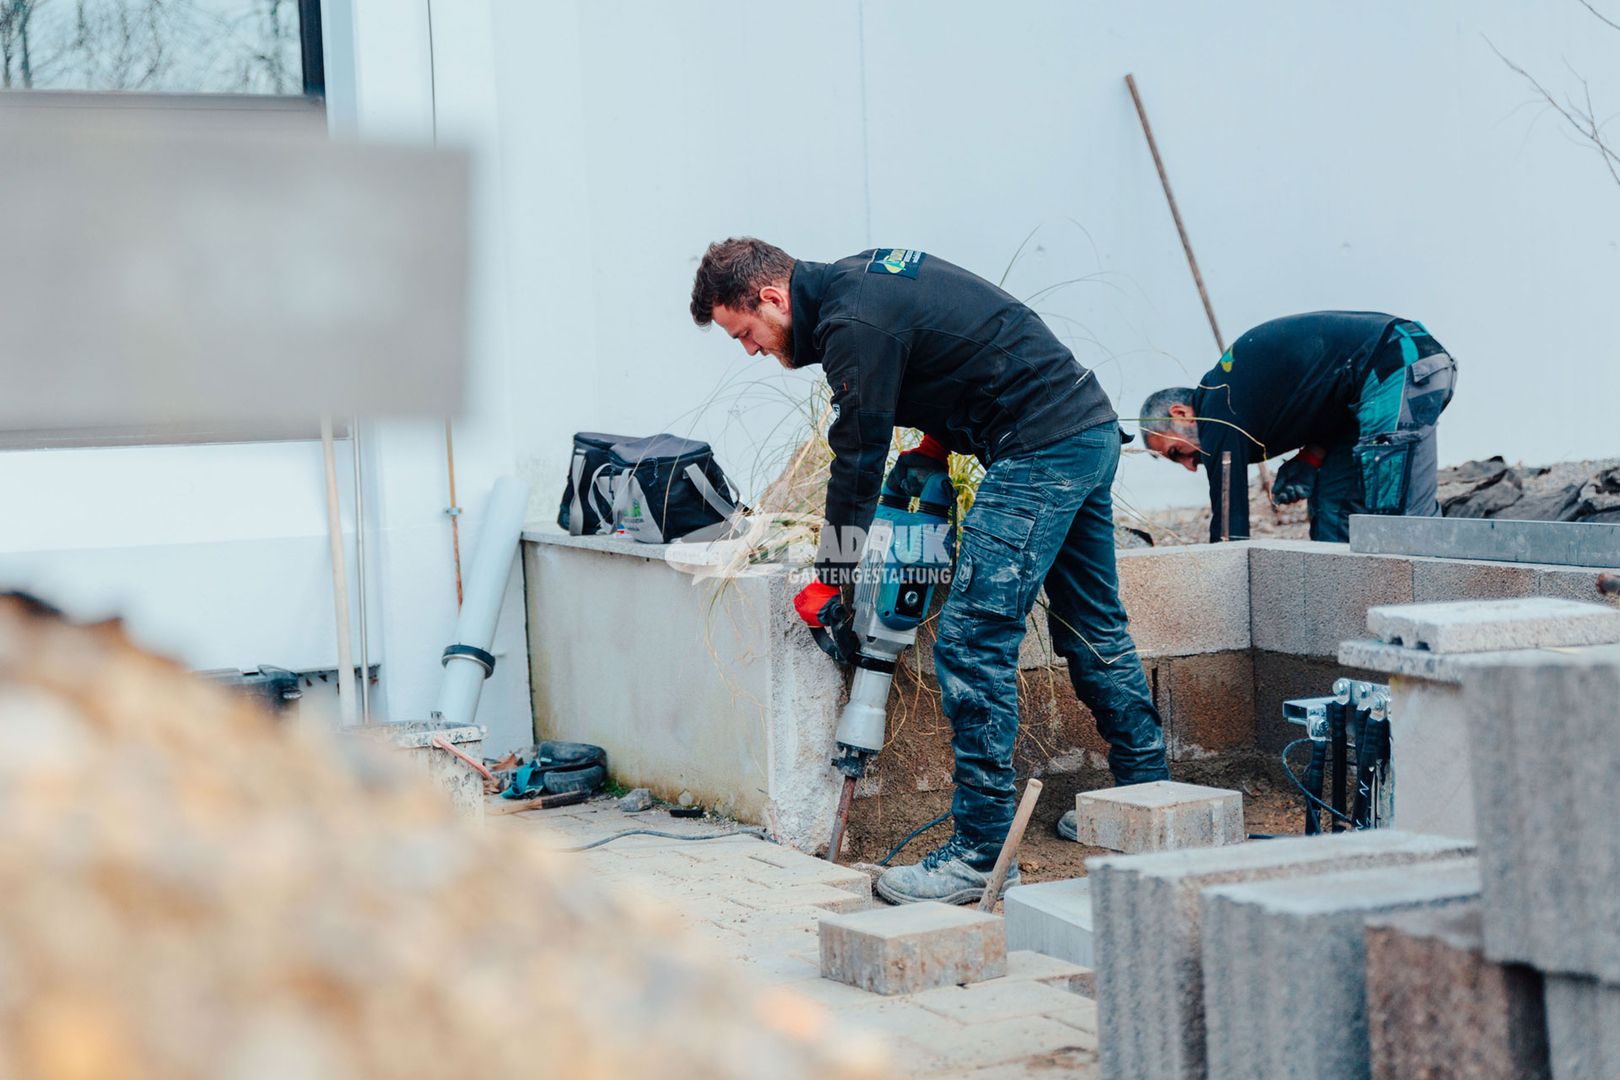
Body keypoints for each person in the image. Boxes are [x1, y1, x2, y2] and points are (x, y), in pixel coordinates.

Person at [689, 238, 1170, 905]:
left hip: (1039, 451)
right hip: (1081, 428)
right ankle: (1155, 805)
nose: (750, 349)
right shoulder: (859, 286)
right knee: (1092, 625)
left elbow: (857, 459)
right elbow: (960, 352)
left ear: (771, 297)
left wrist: (832, 575)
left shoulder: (849, 324)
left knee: (973, 641)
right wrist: (937, 444)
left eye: (746, 332)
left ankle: (979, 854)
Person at [1138, 311, 1458, 543]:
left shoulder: (1217, 410)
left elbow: (1228, 531)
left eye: (1177, 452)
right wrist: (1312, 457)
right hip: (1365, 391)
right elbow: (1327, 397)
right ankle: (1344, 618)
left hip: (1398, 362)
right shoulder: (1232, 395)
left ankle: (1434, 620)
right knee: (1333, 510)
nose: (1189, 466)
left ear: (1181, 414)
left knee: (1400, 522)